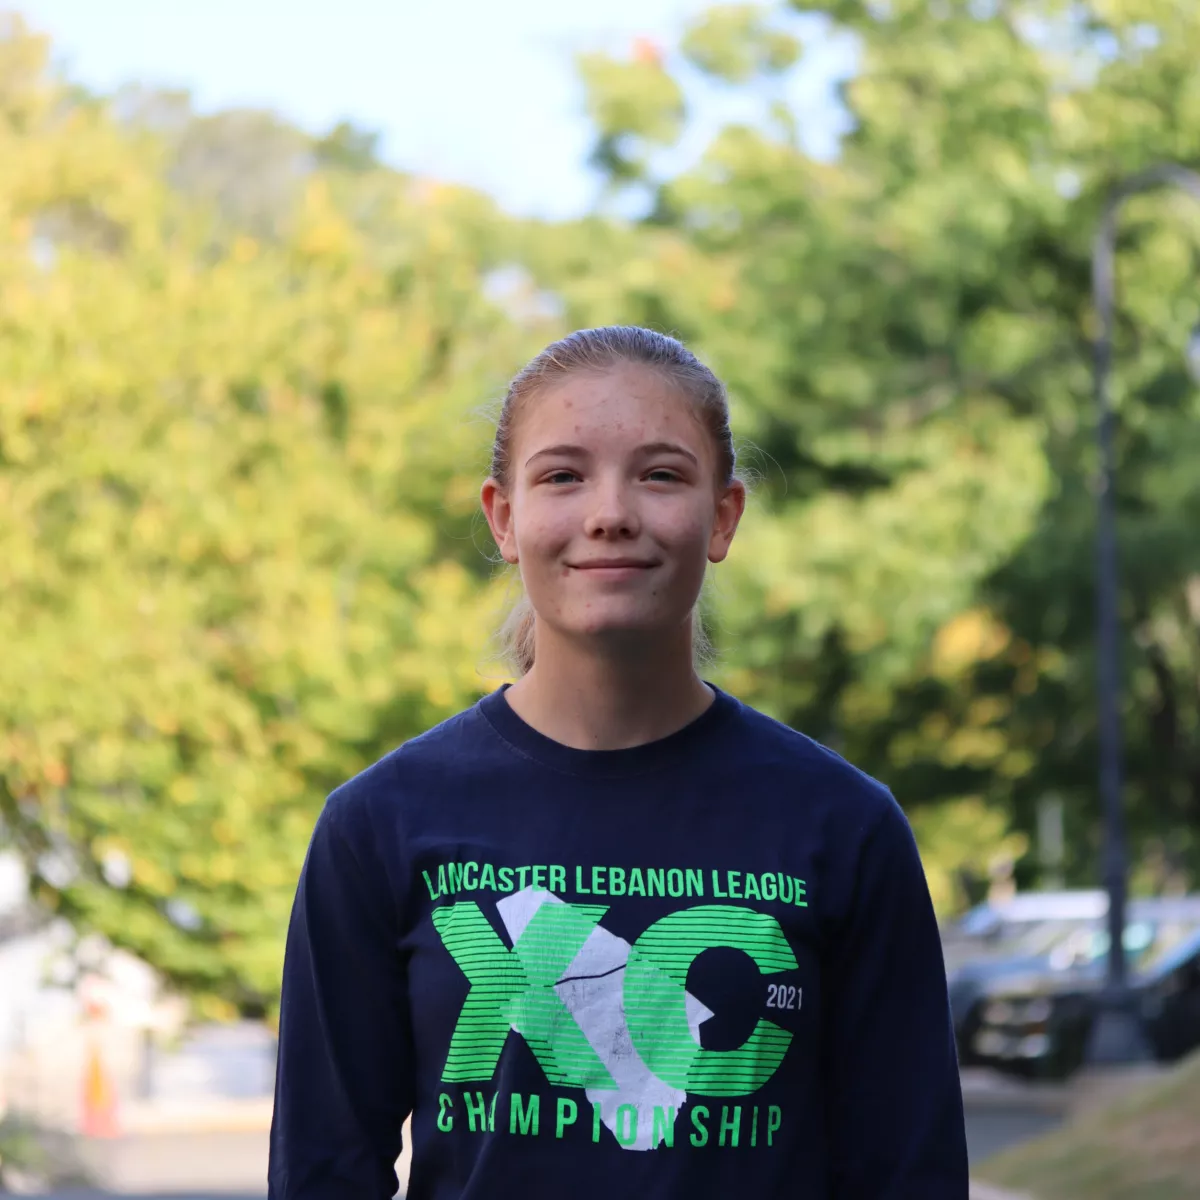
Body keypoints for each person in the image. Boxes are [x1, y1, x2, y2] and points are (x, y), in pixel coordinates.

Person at [267, 326, 969, 1199]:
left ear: (723, 517)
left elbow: (908, 1172)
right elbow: (324, 1169)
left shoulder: (846, 827)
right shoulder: (379, 824)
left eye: (661, 473)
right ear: (504, 517)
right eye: (562, 475)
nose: (610, 512)